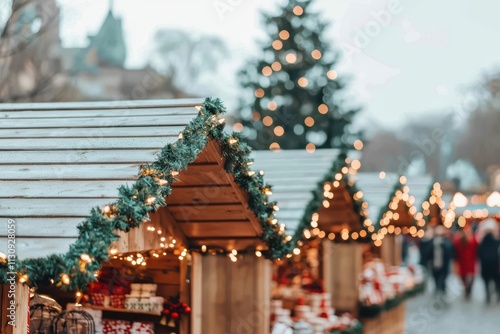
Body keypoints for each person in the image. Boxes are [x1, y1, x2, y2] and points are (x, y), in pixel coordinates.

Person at [477, 221, 500, 304]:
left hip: (485, 266)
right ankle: (497, 295)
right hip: (495, 266)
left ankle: (488, 296)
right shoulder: (496, 242)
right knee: (497, 283)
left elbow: (479, 255)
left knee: (487, 283)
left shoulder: (482, 243)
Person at [453, 225, 478, 299]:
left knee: (472, 275)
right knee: (462, 276)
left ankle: (469, 288)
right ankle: (466, 287)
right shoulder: (460, 240)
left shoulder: (474, 240)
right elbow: (456, 248)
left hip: (471, 261)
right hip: (462, 261)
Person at [428, 225, 454, 295]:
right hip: (435, 264)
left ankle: (443, 292)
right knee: (436, 279)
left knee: (443, 280)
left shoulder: (446, 242)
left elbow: (450, 253)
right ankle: (437, 290)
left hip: (444, 265)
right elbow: (427, 253)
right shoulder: (432, 242)